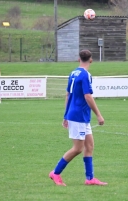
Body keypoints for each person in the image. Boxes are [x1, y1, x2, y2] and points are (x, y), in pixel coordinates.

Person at [49, 50, 107, 186]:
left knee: (89, 146)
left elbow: (68, 95)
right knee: (78, 148)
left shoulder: (73, 73)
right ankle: (55, 173)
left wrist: (65, 115)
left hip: (78, 115)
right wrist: (98, 114)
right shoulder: (86, 75)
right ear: (91, 60)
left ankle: (90, 178)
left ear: (78, 59)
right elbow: (88, 96)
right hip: (78, 115)